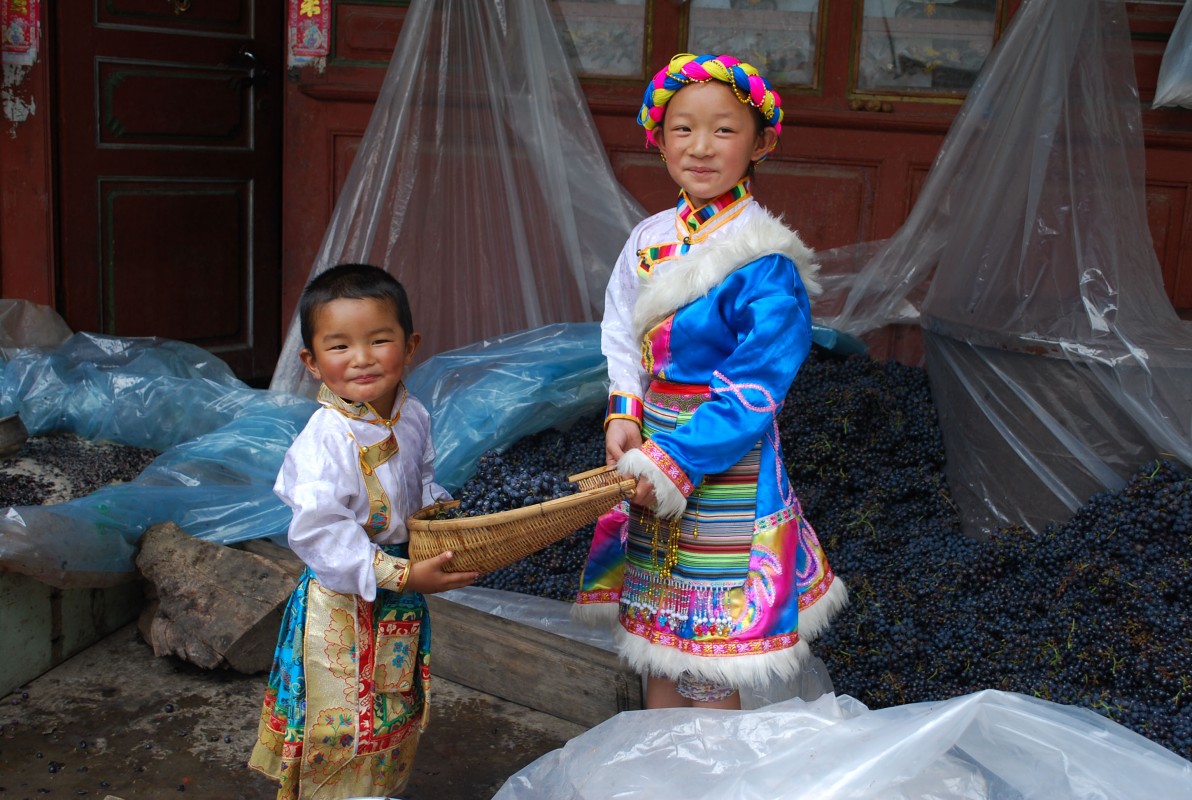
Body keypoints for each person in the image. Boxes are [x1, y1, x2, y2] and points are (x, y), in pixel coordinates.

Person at [575, 54, 848, 710]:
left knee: (712, 654)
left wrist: (674, 459)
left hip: (726, 457)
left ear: (762, 142)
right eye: (682, 129)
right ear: (658, 138)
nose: (700, 148)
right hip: (649, 447)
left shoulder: (765, 257)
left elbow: (756, 386)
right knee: (657, 642)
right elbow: (619, 327)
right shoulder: (648, 237)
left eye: (724, 130)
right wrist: (623, 414)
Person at [248, 263, 478, 799]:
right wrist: (401, 572)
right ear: (310, 361)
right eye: (340, 346)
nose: (362, 359)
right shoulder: (325, 439)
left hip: (398, 599)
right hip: (344, 606)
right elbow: (320, 533)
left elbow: (420, 481)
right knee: (343, 726)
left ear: (410, 344)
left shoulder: (412, 414)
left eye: (379, 340)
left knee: (391, 712)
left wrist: (444, 518)